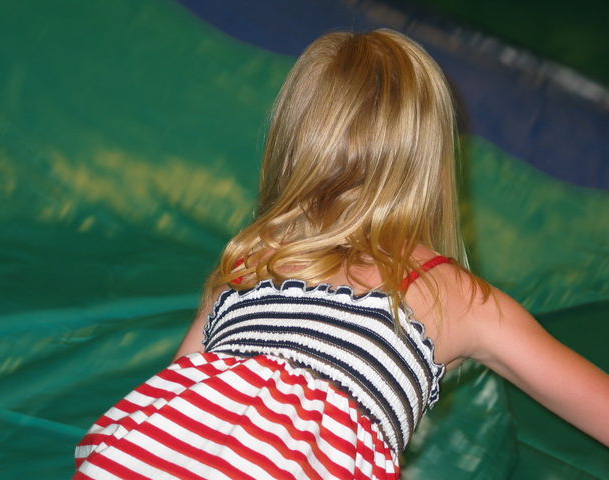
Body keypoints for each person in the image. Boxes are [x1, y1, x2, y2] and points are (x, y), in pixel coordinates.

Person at [73, 29, 609, 479]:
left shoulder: (252, 258)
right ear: (430, 161)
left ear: (292, 141)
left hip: (144, 454)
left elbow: (180, 389)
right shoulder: (456, 297)